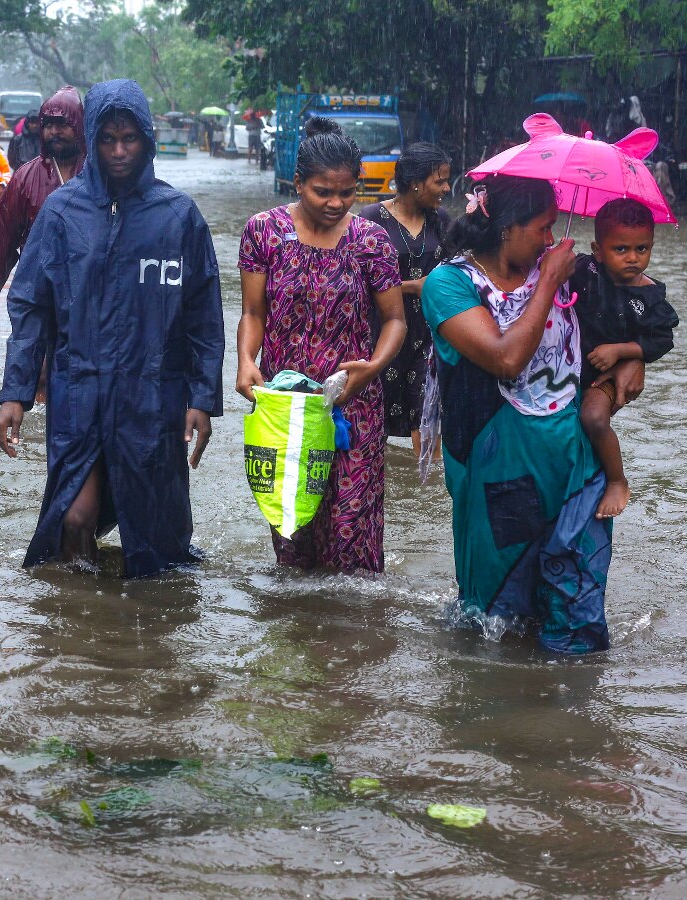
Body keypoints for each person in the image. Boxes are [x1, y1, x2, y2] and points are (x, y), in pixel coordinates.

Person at [0, 79, 224, 578]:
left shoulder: (179, 217)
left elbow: (204, 318)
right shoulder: (61, 213)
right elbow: (30, 305)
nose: (119, 152)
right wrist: (14, 392)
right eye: (107, 139)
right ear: (91, 139)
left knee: (156, 547)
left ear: (148, 139)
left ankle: (139, 641)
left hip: (152, 398)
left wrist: (201, 398)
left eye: (130, 139)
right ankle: (84, 636)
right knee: (74, 518)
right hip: (80, 393)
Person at [420, 173, 640, 654]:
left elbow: (630, 311)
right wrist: (547, 284)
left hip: (573, 458)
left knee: (577, 598)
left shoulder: (563, 269)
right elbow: (505, 357)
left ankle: (573, 705)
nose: (549, 239)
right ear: (506, 229)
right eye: (542, 228)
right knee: (496, 620)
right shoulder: (450, 284)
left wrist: (633, 358)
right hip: (496, 464)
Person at [236, 117, 406, 573]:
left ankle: (349, 637)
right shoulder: (264, 232)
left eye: (348, 193)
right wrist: (245, 362)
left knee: (351, 536)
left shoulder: (371, 240)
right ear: (298, 183)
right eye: (322, 192)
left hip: (354, 401)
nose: (336, 203)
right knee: (292, 536)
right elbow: (253, 313)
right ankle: (300, 632)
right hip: (285, 405)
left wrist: (372, 366)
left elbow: (394, 320)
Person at [570, 198, 678, 519]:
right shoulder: (583, 270)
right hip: (570, 368)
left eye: (642, 249)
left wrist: (623, 351)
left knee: (593, 418)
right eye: (621, 250)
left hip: (606, 377)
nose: (633, 258)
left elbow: (662, 340)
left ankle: (617, 480)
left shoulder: (651, 296)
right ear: (598, 250)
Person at [357, 142, 452, 454]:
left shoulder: (442, 220)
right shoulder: (372, 218)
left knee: (427, 415)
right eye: (440, 181)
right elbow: (356, 283)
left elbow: (457, 275)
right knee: (374, 423)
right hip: (382, 333)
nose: (446, 188)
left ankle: (425, 495)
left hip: (429, 335)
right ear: (415, 182)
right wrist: (414, 286)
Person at [0, 86, 86, 338]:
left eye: (62, 124)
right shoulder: (25, 178)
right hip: (38, 292)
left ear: (79, 125)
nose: (53, 131)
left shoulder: (99, 173)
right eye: (48, 124)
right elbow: (1, 243)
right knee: (36, 372)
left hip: (88, 295)